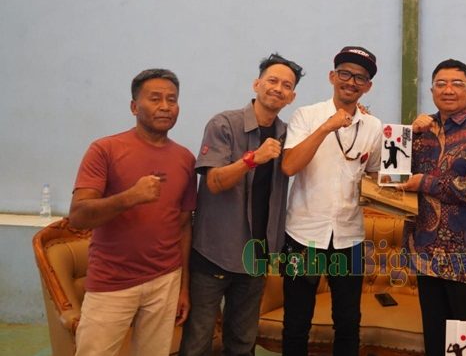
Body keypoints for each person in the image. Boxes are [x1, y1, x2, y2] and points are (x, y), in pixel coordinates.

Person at [180, 54, 303, 356]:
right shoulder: (224, 124)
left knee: (242, 343)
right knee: (197, 342)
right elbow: (214, 182)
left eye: (286, 85)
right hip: (214, 254)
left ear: (292, 97)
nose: (278, 88)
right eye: (272, 80)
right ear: (257, 83)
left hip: (257, 257)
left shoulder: (287, 134)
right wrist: (252, 159)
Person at [69, 69, 197, 356]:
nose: (165, 106)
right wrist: (130, 197)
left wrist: (183, 287)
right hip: (111, 281)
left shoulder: (185, 159)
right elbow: (78, 215)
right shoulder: (105, 149)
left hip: (166, 279)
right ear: (134, 106)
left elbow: (183, 224)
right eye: (155, 99)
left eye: (172, 99)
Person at [280, 46, 383, 356]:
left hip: (350, 237)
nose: (351, 82)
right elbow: (288, 167)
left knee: (349, 322)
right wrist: (326, 127)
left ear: (368, 86)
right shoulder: (306, 116)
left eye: (360, 78)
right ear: (332, 76)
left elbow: (377, 175)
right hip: (303, 236)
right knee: (297, 322)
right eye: (345, 74)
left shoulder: (374, 126)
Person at [400, 59, 466, 356]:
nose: (448, 90)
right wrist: (408, 134)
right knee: (435, 336)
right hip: (425, 253)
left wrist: (425, 183)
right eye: (441, 84)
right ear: (432, 90)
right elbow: (395, 176)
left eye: (457, 84)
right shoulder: (423, 131)